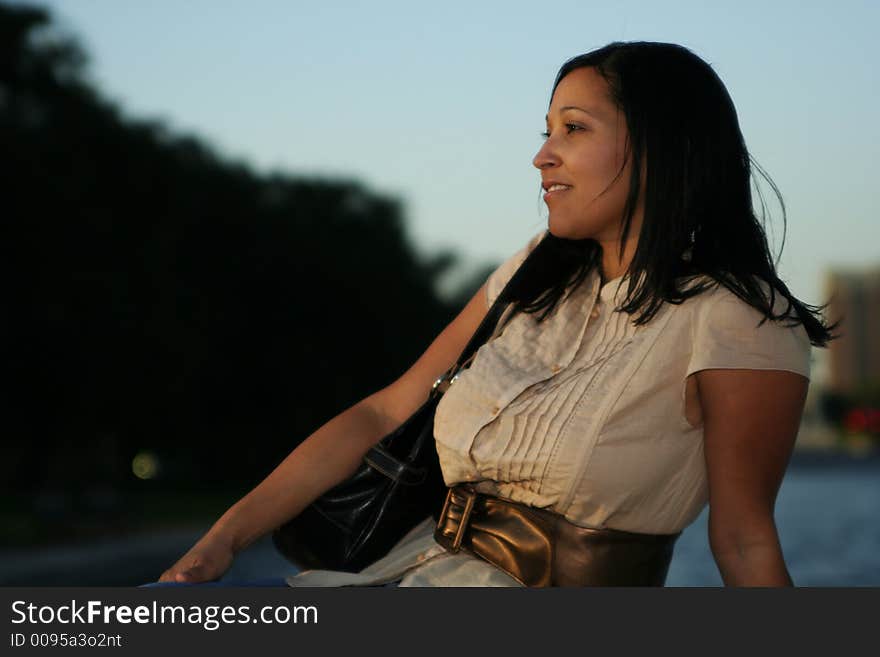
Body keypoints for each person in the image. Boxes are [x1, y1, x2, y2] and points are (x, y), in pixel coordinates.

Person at [158, 41, 837, 587]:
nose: (543, 154)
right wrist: (220, 543)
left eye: (574, 128)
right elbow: (382, 413)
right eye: (546, 131)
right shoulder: (533, 275)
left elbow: (745, 540)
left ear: (661, 146)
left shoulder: (741, 317)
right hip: (402, 572)